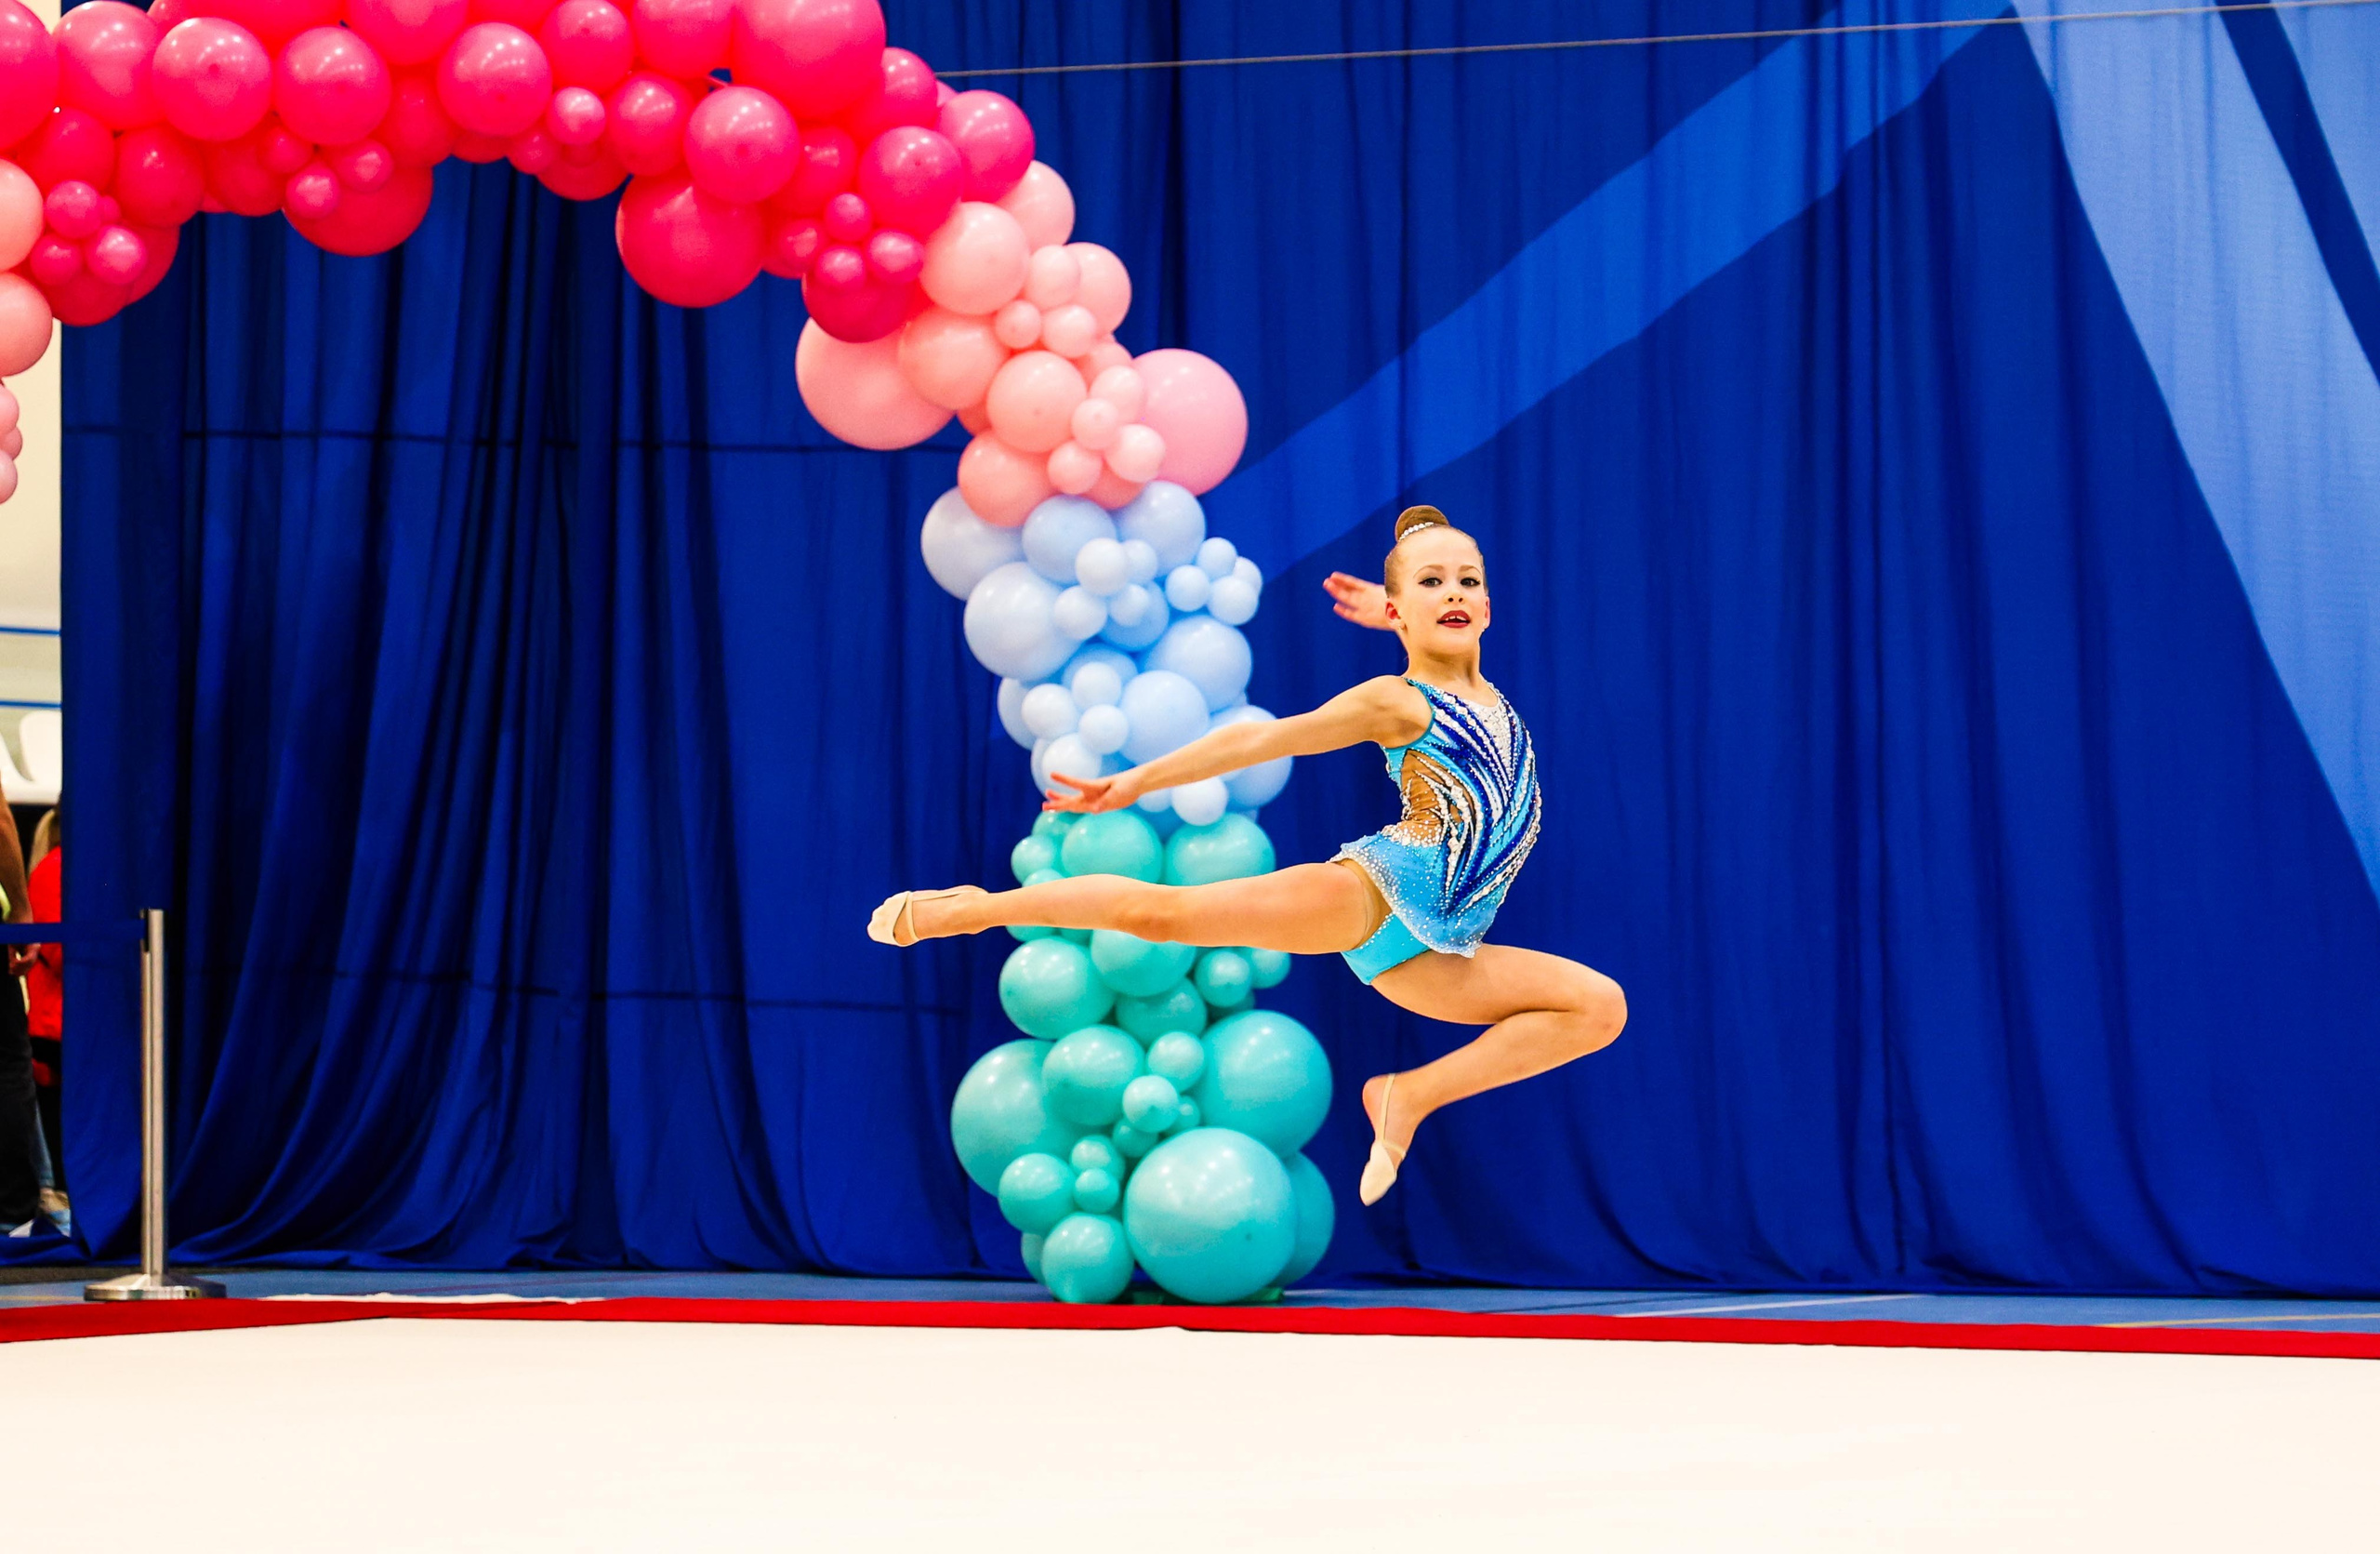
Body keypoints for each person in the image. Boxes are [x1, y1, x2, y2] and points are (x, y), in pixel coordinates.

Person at [870, 506, 1626, 1204]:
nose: (1455, 591)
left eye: (1468, 580)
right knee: (1161, 914)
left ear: (1489, 605)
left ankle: (1409, 1094)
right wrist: (1137, 778)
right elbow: (1258, 739)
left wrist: (1399, 608)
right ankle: (973, 909)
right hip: (1377, 895)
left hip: (1436, 951)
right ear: (1401, 611)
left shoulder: (1484, 690)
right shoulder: (1399, 702)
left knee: (1598, 1008)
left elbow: (1431, 625)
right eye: (1432, 582)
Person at [22, 799, 60, 1199]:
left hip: (52, 1021)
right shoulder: (60, 870)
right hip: (58, 1025)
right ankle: (48, 1188)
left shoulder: (49, 868)